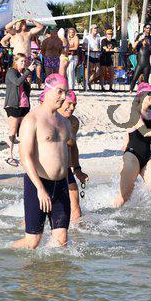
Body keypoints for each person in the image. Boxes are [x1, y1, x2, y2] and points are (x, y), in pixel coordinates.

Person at [13, 74, 72, 249]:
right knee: (32, 242)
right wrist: (40, 189)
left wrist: (75, 170)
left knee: (61, 241)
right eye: (59, 91)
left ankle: (49, 268)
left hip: (60, 186)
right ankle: (4, 256)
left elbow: (67, 152)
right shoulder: (32, 119)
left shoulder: (64, 122)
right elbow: (25, 156)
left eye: (66, 92)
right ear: (47, 90)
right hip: (38, 184)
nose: (63, 97)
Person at [57, 90, 88, 223]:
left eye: (74, 105)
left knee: (76, 210)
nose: (72, 108)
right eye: (69, 103)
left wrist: (77, 169)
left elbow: (73, 146)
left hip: (65, 169)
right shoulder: (50, 118)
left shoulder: (74, 121)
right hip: (47, 171)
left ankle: (79, 235)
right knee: (40, 211)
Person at [4, 53, 35, 166]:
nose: (23, 63)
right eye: (21, 61)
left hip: (24, 105)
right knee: (12, 130)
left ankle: (23, 156)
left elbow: (27, 91)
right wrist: (28, 71)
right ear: (15, 61)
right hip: (13, 105)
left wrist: (28, 80)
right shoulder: (11, 72)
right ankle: (9, 156)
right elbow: (17, 82)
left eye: (25, 61)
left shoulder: (24, 73)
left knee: (23, 131)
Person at [82, 25, 102, 89]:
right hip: (89, 55)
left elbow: (99, 46)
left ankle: (88, 81)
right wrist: (92, 49)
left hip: (96, 55)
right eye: (95, 28)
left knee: (98, 71)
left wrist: (98, 49)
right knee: (89, 70)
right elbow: (83, 47)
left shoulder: (98, 37)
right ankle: (87, 84)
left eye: (97, 28)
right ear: (91, 30)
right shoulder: (87, 37)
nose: (96, 29)